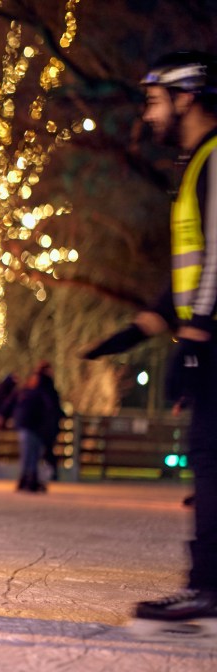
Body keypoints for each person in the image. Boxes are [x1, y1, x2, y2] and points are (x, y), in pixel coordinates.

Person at [84, 52, 217, 634]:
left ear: (187, 96)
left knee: (210, 463)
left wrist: (199, 336)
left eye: (156, 98)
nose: (149, 111)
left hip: (216, 341)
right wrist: (144, 325)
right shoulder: (196, 163)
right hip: (209, 335)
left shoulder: (215, 158)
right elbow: (191, 269)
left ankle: (208, 588)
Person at [1, 363, 59, 493]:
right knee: (28, 453)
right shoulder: (25, 392)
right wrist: (2, 415)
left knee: (34, 454)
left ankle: (31, 478)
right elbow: (10, 404)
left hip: (38, 427)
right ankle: (27, 479)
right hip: (27, 426)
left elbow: (51, 408)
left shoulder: (42, 391)